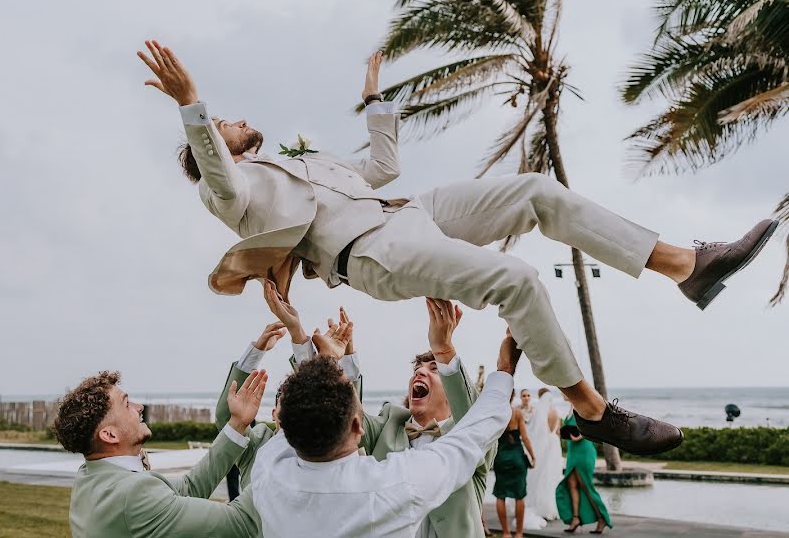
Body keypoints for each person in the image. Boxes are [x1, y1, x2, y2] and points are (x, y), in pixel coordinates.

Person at [137, 38, 777, 455]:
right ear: (211, 148)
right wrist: (192, 105)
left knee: (535, 191)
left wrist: (373, 100)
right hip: (369, 252)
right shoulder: (230, 193)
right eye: (222, 125)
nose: (233, 120)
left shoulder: (299, 160)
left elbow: (381, 169)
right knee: (517, 279)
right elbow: (216, 170)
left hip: (404, 211)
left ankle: (685, 266)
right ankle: (591, 409)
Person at [249, 333, 522, 538]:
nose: (420, 371)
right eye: (418, 368)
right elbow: (478, 429)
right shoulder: (395, 474)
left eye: (432, 369)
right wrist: (505, 368)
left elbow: (312, 410)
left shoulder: (266, 468)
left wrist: (311, 347)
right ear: (358, 427)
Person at [54, 370, 265, 538]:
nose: (139, 408)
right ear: (109, 435)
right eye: (127, 404)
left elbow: (188, 489)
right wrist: (281, 449)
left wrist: (237, 423)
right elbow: (241, 523)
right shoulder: (133, 495)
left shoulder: (89, 476)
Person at [212, 299, 361, 491]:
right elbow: (227, 419)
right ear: (275, 413)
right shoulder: (257, 444)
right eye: (288, 398)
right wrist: (256, 350)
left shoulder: (325, 440)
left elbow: (346, 414)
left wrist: (300, 336)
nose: (297, 404)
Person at [556, 396, 612, 534]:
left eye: (565, 392)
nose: (563, 394)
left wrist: (579, 436)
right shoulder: (570, 408)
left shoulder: (582, 408)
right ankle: (575, 518)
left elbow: (593, 428)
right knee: (571, 484)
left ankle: (602, 518)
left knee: (585, 485)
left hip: (584, 451)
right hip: (572, 451)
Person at [492, 390, 536, 538]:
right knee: (519, 495)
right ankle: (518, 533)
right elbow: (525, 437)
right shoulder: (517, 413)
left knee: (500, 494)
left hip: (501, 458)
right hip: (517, 457)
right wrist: (532, 456)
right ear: (513, 396)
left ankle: (505, 533)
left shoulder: (494, 415)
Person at [524, 388, 563, 521]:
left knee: (542, 475)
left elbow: (536, 433)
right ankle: (554, 507)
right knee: (554, 475)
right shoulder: (556, 412)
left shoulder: (540, 412)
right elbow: (558, 431)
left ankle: (542, 507)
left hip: (545, 446)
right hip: (555, 444)